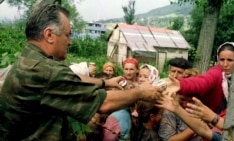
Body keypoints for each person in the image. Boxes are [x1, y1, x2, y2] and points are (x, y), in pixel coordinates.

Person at [0, 4, 162, 141]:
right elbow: (104, 103)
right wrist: (140, 92)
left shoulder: (30, 58)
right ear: (49, 35)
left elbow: (71, 78)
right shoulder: (47, 70)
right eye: (67, 35)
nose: (70, 42)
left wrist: (105, 82)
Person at [164, 42, 234, 113]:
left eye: (230, 60)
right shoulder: (217, 73)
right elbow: (203, 81)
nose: (225, 64)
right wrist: (181, 84)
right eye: (222, 60)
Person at [158, 58, 202, 141]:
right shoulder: (170, 106)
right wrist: (195, 127)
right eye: (173, 71)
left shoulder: (201, 103)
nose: (175, 76)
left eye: (179, 72)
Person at [156, 94, 224, 141]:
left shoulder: (200, 109)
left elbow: (206, 131)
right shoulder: (169, 112)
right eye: (182, 99)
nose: (186, 104)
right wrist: (192, 128)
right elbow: (169, 139)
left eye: (190, 101)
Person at [133, 64, 162, 141]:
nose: (141, 79)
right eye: (140, 76)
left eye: (146, 77)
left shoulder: (158, 97)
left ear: (154, 78)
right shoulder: (134, 92)